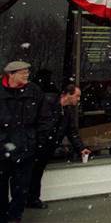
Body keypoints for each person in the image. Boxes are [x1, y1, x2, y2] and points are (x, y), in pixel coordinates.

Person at [1, 61, 52, 223]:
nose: (27, 75)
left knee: (21, 189)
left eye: (28, 72)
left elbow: (45, 119)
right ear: (11, 75)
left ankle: (15, 218)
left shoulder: (34, 91)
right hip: (1, 151)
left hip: (26, 150)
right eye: (23, 73)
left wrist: (37, 142)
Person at [27, 84, 91, 209]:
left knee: (36, 173)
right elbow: (36, 124)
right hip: (34, 146)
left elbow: (72, 132)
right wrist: (35, 142)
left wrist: (81, 148)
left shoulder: (67, 112)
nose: (78, 99)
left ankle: (32, 199)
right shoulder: (46, 103)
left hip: (45, 148)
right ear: (67, 94)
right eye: (77, 96)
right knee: (27, 174)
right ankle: (23, 201)